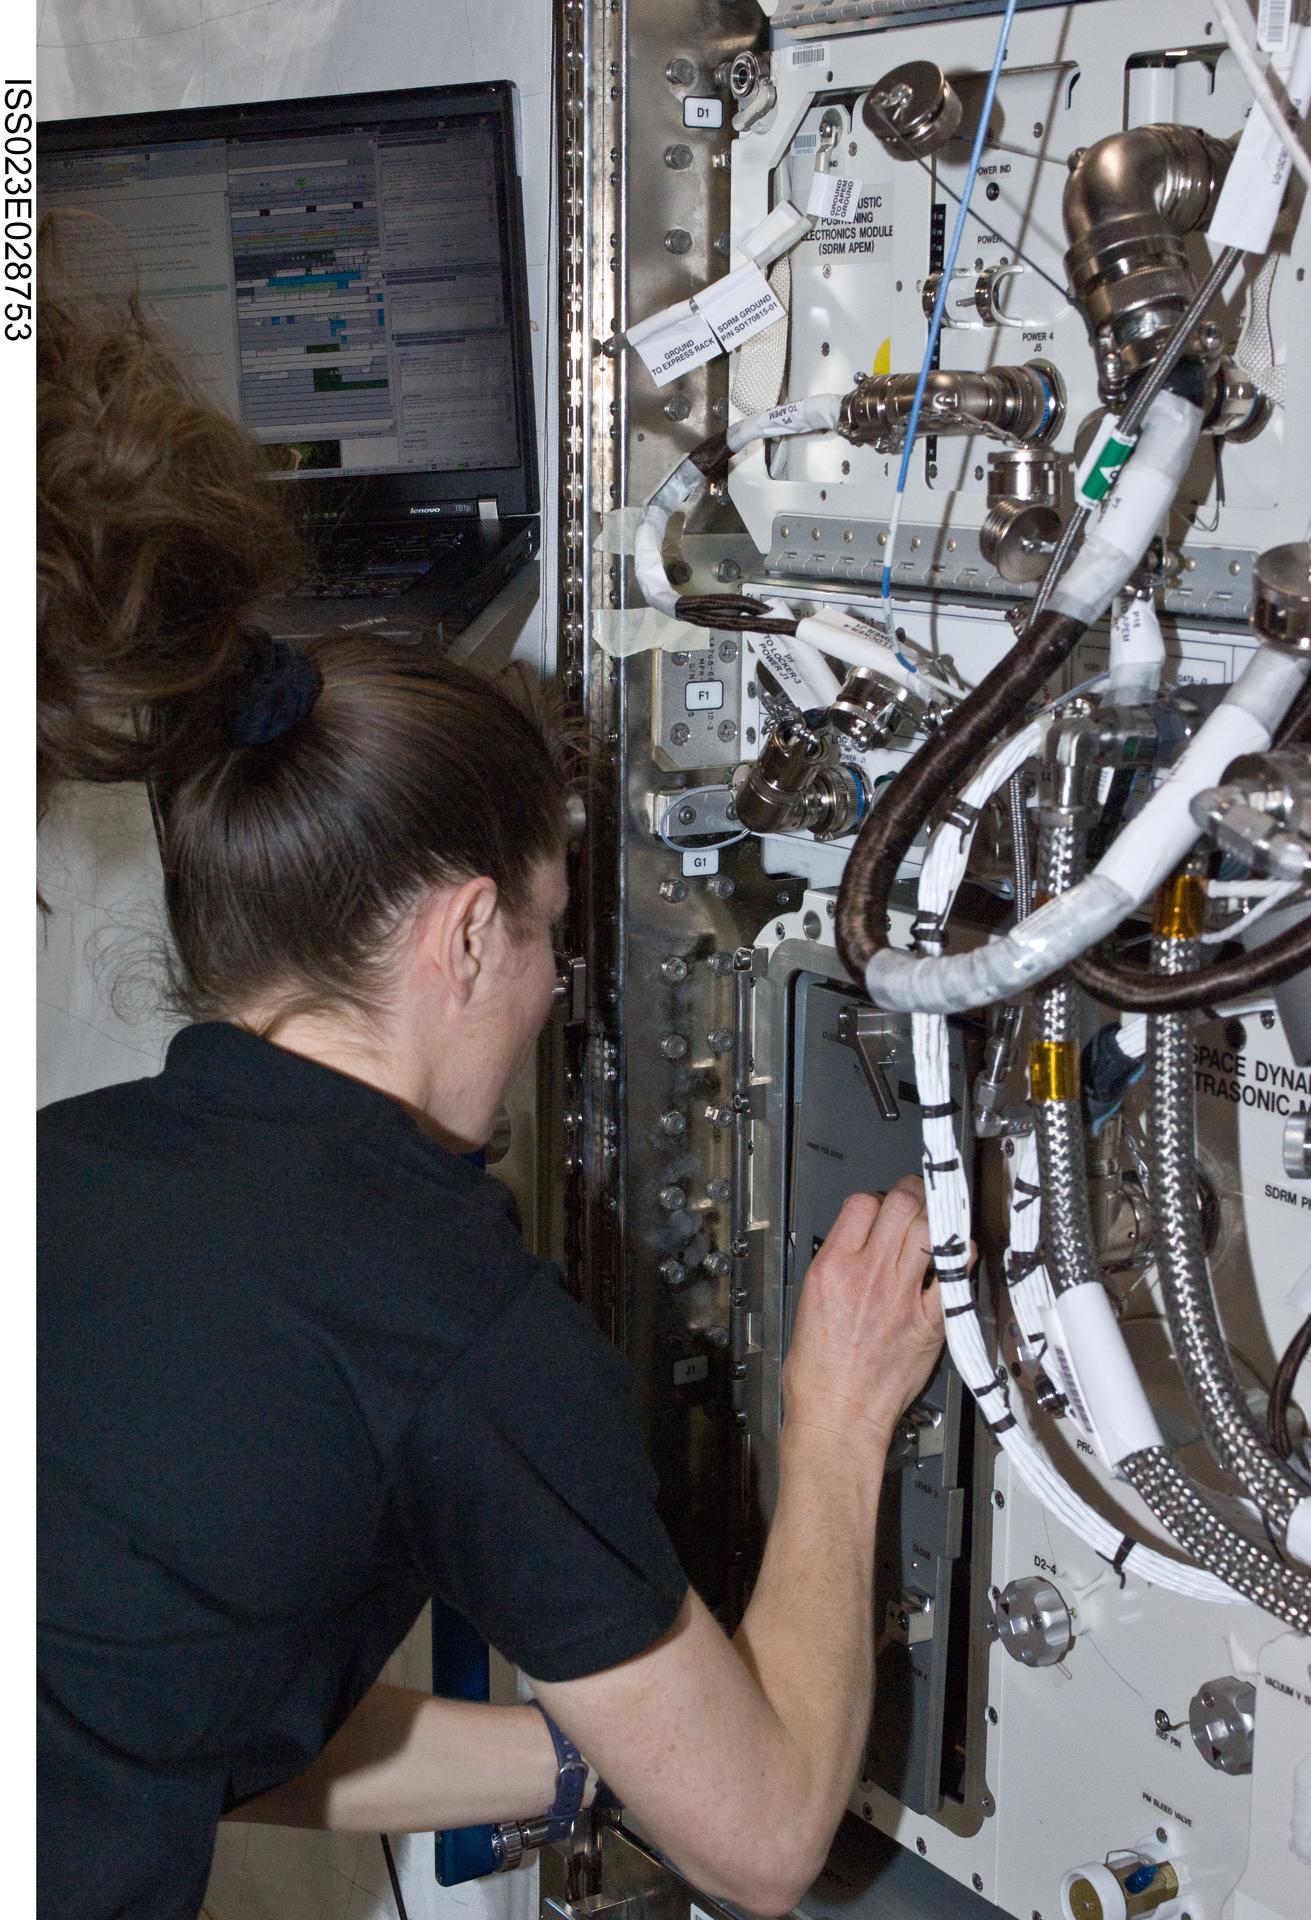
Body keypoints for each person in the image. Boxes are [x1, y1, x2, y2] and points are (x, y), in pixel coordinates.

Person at [37, 257, 945, 1920]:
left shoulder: (64, 1170)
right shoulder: (443, 1317)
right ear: (466, 936)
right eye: (544, 931)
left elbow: (186, 1718)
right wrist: (840, 1415)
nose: (547, 991)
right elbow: (762, 1848)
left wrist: (599, 1754)